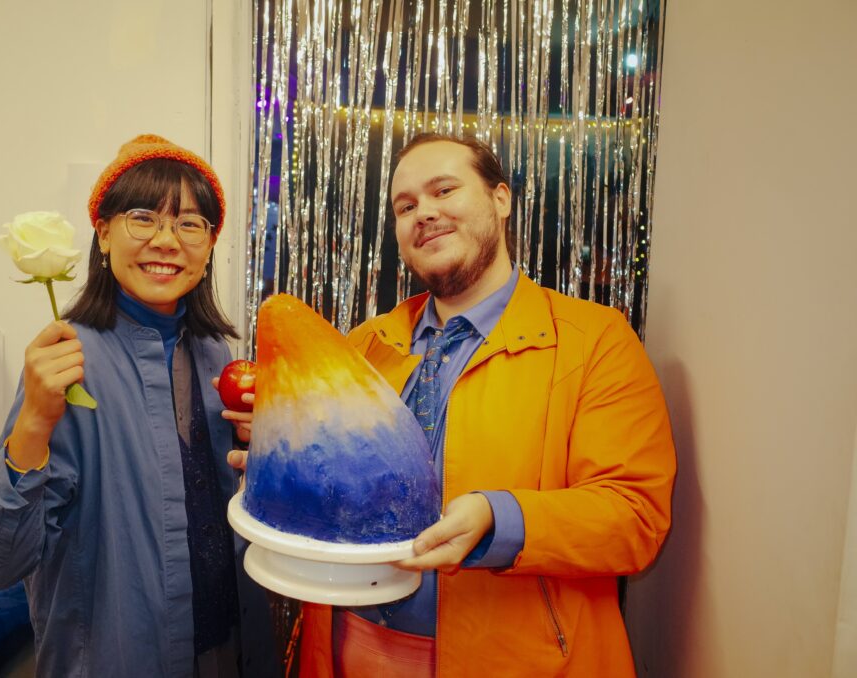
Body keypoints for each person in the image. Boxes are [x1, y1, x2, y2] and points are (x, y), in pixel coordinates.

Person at [289, 133, 677, 676]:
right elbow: (333, 487)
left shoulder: (595, 341)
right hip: (348, 645)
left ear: (500, 198)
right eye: (405, 206)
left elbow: (634, 517)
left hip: (518, 660)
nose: (424, 213)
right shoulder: (363, 346)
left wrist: (500, 519)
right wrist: (281, 457)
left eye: (444, 190)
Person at [0, 134, 277, 677]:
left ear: (209, 245)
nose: (166, 241)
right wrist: (33, 422)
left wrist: (262, 451)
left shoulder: (213, 353)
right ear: (103, 233)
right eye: (143, 218)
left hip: (226, 645)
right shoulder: (69, 361)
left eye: (190, 224)